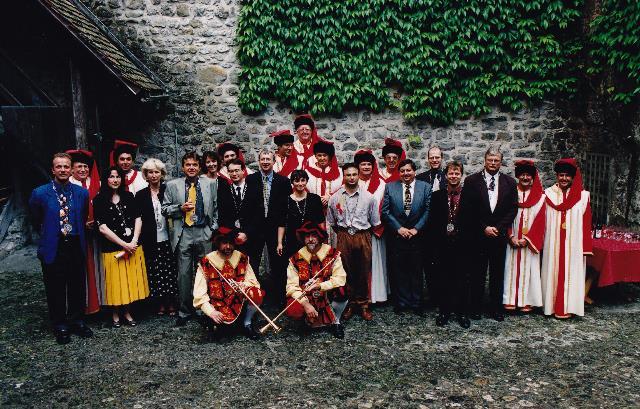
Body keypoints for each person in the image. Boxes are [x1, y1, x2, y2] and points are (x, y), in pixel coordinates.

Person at [29, 153, 92, 344]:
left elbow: (82, 217)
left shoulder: (81, 193)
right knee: (55, 287)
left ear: (72, 169)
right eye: (59, 167)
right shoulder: (40, 193)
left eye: (66, 167)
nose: (63, 170)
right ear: (53, 169)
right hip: (54, 245)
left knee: (77, 285)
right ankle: (60, 324)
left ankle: (77, 320)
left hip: (75, 243)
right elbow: (35, 219)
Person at [458, 147, 517, 322]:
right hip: (478, 235)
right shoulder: (471, 181)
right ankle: (475, 308)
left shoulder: (509, 182)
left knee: (497, 274)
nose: (493, 163)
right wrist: (484, 227)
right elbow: (468, 209)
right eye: (490, 160)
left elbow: (513, 208)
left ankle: (495, 308)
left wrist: (498, 227)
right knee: (477, 273)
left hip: (498, 236)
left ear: (501, 162)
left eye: (496, 160)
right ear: (484, 160)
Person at [162, 152, 219, 326]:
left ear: (199, 167)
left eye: (194, 165)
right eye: (188, 165)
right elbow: (164, 209)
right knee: (184, 274)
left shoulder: (210, 184)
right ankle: (185, 311)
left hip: (204, 232)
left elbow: (216, 208)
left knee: (206, 273)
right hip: (184, 233)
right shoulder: (172, 185)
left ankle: (205, 309)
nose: (191, 168)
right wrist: (180, 208)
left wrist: (212, 229)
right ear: (182, 167)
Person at [93, 166, 149, 327]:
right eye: (111, 177)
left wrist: (133, 241)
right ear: (106, 180)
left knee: (129, 281)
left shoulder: (129, 196)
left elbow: (138, 218)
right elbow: (102, 228)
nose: (115, 180)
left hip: (132, 246)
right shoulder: (99, 200)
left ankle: (127, 312)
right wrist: (124, 244)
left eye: (118, 176)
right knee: (115, 282)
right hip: (112, 249)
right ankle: (115, 313)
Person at [327, 162, 381, 321]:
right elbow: (332, 221)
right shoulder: (335, 197)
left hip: (362, 235)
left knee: (363, 271)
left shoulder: (369, 197)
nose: (351, 178)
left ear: (359, 176)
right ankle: (349, 304)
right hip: (343, 236)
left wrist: (360, 234)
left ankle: (363, 304)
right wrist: (344, 234)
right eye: (348, 175)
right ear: (343, 176)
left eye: (354, 174)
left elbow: (374, 221)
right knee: (346, 271)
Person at [541, 158, 593, 319]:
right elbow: (541, 220)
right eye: (561, 175)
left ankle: (569, 306)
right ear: (556, 176)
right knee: (553, 271)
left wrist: (586, 247)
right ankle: (550, 306)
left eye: (567, 176)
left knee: (571, 273)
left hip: (573, 245)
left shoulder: (583, 197)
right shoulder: (548, 194)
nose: (564, 178)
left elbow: (586, 223)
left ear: (573, 177)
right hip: (553, 243)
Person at [193, 228, 265, 340]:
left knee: (257, 293)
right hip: (217, 306)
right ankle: (214, 323)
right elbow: (199, 294)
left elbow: (254, 283)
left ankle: (247, 323)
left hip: (238, 303)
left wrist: (244, 285)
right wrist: (211, 312)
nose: (228, 247)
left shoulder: (242, 258)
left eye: (231, 243)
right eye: (224, 243)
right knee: (222, 332)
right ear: (217, 243)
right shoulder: (206, 262)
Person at [381, 159, 432, 315]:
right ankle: (402, 302)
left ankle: (416, 302)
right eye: (402, 171)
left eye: (408, 170)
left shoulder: (425, 187)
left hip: (418, 237)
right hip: (398, 237)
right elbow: (386, 211)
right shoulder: (390, 187)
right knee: (399, 270)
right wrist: (399, 228)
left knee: (416, 270)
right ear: (399, 173)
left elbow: (428, 210)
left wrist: (417, 228)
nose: (405, 173)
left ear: (414, 171)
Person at [245, 149, 292, 306]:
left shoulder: (283, 181)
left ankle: (279, 297)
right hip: (256, 230)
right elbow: (247, 206)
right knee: (253, 264)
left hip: (275, 229)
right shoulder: (250, 180)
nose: (265, 162)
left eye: (268, 159)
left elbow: (286, 208)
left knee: (278, 264)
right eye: (263, 159)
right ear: (259, 161)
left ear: (274, 162)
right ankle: (255, 298)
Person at [285, 222, 348, 338]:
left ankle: (336, 321)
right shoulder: (295, 259)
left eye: (314, 236)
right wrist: (305, 304)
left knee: (342, 291)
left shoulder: (333, 254)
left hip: (326, 293)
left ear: (320, 237)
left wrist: (321, 286)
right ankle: (306, 320)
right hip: (306, 296)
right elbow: (291, 286)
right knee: (293, 308)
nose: (310, 239)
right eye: (307, 236)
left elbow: (340, 278)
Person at [428, 161, 470, 328]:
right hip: (443, 245)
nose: (453, 176)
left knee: (462, 280)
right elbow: (432, 223)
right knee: (443, 279)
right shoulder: (437, 196)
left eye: (457, 173)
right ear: (446, 176)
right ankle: (444, 311)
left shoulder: (469, 195)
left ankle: (462, 313)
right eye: (451, 173)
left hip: (462, 245)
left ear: (461, 175)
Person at [136, 158, 178, 316]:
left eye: (156, 172)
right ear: (145, 175)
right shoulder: (140, 195)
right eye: (150, 172)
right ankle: (160, 303)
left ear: (162, 174)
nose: (153, 175)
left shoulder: (169, 190)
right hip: (151, 239)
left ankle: (172, 302)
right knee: (155, 271)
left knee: (170, 270)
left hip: (169, 236)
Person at [503, 160, 546, 313]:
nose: (525, 177)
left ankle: (527, 300)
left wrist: (527, 239)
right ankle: (509, 299)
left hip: (528, 241)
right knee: (510, 268)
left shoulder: (540, 198)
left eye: (528, 175)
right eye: (522, 174)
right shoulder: (510, 193)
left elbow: (541, 220)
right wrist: (511, 236)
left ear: (533, 177)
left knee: (529, 270)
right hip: (512, 239)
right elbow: (504, 216)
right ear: (518, 176)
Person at [67, 149, 102, 314]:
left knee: (97, 267)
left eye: (86, 167)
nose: (83, 170)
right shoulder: (68, 185)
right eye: (79, 166)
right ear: (72, 169)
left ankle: (99, 303)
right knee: (79, 270)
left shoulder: (97, 184)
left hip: (97, 235)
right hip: (77, 235)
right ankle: (83, 306)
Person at [355, 150, 389, 304]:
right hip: (357, 231)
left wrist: (375, 225)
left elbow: (384, 206)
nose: (366, 167)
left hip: (375, 230)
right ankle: (358, 297)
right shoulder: (352, 181)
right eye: (363, 164)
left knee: (375, 262)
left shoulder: (381, 183)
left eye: (369, 164)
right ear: (358, 166)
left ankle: (375, 296)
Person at [277, 169, 325, 259]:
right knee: (294, 268)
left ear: (306, 181)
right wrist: (280, 243)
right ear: (292, 182)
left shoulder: (315, 199)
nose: (300, 183)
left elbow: (321, 221)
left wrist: (322, 240)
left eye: (303, 180)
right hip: (292, 241)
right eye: (296, 180)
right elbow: (281, 224)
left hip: (312, 240)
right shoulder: (285, 200)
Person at [217, 158, 260, 255]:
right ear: (228, 173)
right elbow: (222, 215)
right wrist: (234, 234)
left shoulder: (254, 189)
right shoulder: (224, 191)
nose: (234, 174)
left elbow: (258, 214)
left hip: (252, 238)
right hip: (232, 239)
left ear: (243, 171)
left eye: (237, 170)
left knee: (252, 269)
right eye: (231, 171)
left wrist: (247, 234)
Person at [304, 139, 343, 206]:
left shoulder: (339, 172)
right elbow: (303, 189)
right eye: (319, 155)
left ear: (329, 156)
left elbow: (344, 189)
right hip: (313, 207)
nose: (322, 158)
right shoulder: (307, 172)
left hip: (334, 207)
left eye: (325, 155)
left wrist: (330, 197)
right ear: (315, 156)